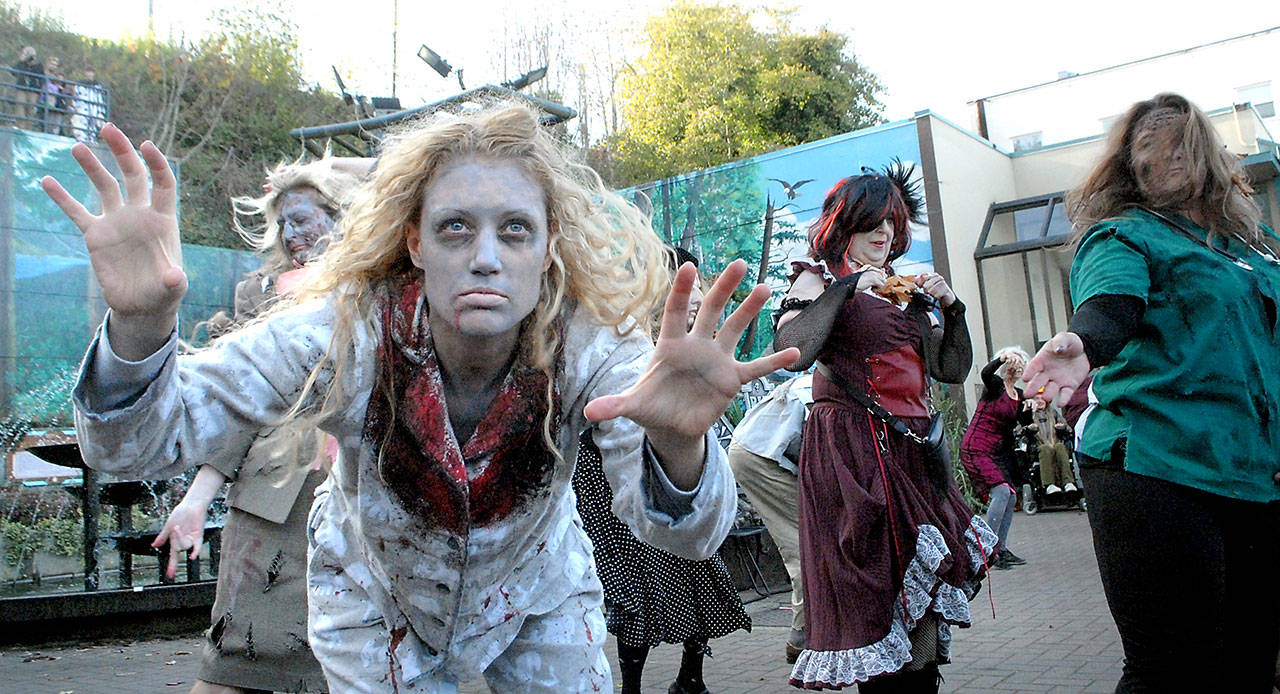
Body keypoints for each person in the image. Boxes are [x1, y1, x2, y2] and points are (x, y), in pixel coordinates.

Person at [44, 105, 798, 692]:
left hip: (539, 587)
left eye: (515, 230)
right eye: (456, 227)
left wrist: (680, 447)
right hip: (373, 595)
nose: (485, 257)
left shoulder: (595, 347)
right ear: (415, 243)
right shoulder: (341, 333)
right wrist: (139, 329)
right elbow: (133, 448)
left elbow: (692, 537)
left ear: (548, 246)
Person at [1024, 92, 1280, 693]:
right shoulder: (1123, 235)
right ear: (1128, 164)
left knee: (1250, 664)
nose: (1163, 162)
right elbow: (1111, 304)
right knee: (1173, 670)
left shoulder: (1256, 243)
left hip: (1255, 474)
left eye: (1178, 148)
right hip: (1155, 466)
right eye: (1147, 150)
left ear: (1208, 156)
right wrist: (1084, 344)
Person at [772, 163, 995, 692]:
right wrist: (848, 287)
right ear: (843, 224)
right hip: (852, 452)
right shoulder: (818, 276)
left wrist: (952, 308)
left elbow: (949, 368)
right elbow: (792, 350)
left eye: (891, 222)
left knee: (921, 600)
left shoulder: (902, 284)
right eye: (872, 222)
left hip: (912, 453)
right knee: (872, 589)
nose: (884, 232)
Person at [152, 159, 363, 694]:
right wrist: (196, 501)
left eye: (302, 219)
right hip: (274, 509)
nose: (291, 235)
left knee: (347, 672)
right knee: (233, 667)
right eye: (283, 223)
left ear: (342, 215)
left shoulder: (386, 290)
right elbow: (237, 413)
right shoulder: (262, 296)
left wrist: (333, 165)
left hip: (359, 503)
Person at [573, 246, 750, 694]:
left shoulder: (702, 347)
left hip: (681, 475)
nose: (694, 297)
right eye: (675, 285)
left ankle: (691, 676)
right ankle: (632, 686)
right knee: (634, 586)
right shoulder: (617, 344)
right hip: (609, 484)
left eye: (695, 285)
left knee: (698, 572)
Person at [727, 368, 812, 664]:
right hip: (757, 458)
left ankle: (809, 631)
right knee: (804, 543)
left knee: (808, 540)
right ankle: (801, 636)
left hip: (761, 452)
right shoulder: (818, 391)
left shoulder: (820, 385)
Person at [959, 347, 1032, 570]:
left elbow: (1024, 422)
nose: (1018, 367)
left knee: (1010, 495)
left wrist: (1031, 408)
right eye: (1014, 362)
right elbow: (986, 373)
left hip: (995, 452)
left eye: (1021, 364)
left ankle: (1000, 549)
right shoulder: (995, 386)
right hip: (976, 447)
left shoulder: (1019, 395)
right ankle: (987, 549)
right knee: (1001, 492)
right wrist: (1002, 358)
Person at [1024, 399, 1075, 496]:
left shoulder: (1053, 413)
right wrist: (1028, 429)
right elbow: (1018, 431)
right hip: (1038, 446)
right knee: (1045, 449)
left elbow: (1068, 429)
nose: (1039, 401)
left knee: (1060, 447)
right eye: (1036, 399)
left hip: (1055, 443)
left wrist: (1062, 428)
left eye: (1042, 398)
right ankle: (1049, 485)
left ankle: (1068, 482)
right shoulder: (1027, 414)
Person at [70, 67, 107, 144]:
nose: (90, 74)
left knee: (93, 127)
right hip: (83, 108)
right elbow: (76, 96)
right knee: (81, 125)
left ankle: (92, 141)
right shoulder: (79, 85)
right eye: (88, 72)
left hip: (94, 109)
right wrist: (75, 107)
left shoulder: (97, 86)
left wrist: (100, 111)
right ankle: (82, 141)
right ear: (85, 73)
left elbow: (99, 98)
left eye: (91, 72)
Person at [8, 46, 43, 128]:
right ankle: (20, 126)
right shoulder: (22, 64)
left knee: (31, 109)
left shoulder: (38, 65)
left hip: (33, 90)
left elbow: (40, 76)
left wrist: (32, 62)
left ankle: (28, 128)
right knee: (19, 105)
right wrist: (21, 61)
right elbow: (13, 72)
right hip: (21, 88)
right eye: (27, 53)